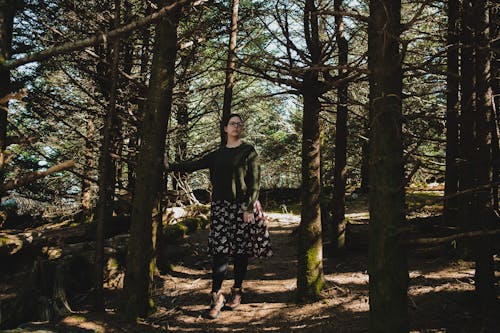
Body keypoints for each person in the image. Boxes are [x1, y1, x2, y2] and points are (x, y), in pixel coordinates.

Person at [165, 113, 273, 319]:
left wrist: (249, 208)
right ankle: (216, 296)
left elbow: (255, 182)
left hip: (243, 208)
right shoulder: (217, 155)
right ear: (225, 128)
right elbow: (193, 164)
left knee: (241, 251)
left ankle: (237, 291)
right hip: (221, 209)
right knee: (220, 252)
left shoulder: (248, 151)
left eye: (240, 124)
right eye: (232, 124)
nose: (236, 127)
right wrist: (170, 166)